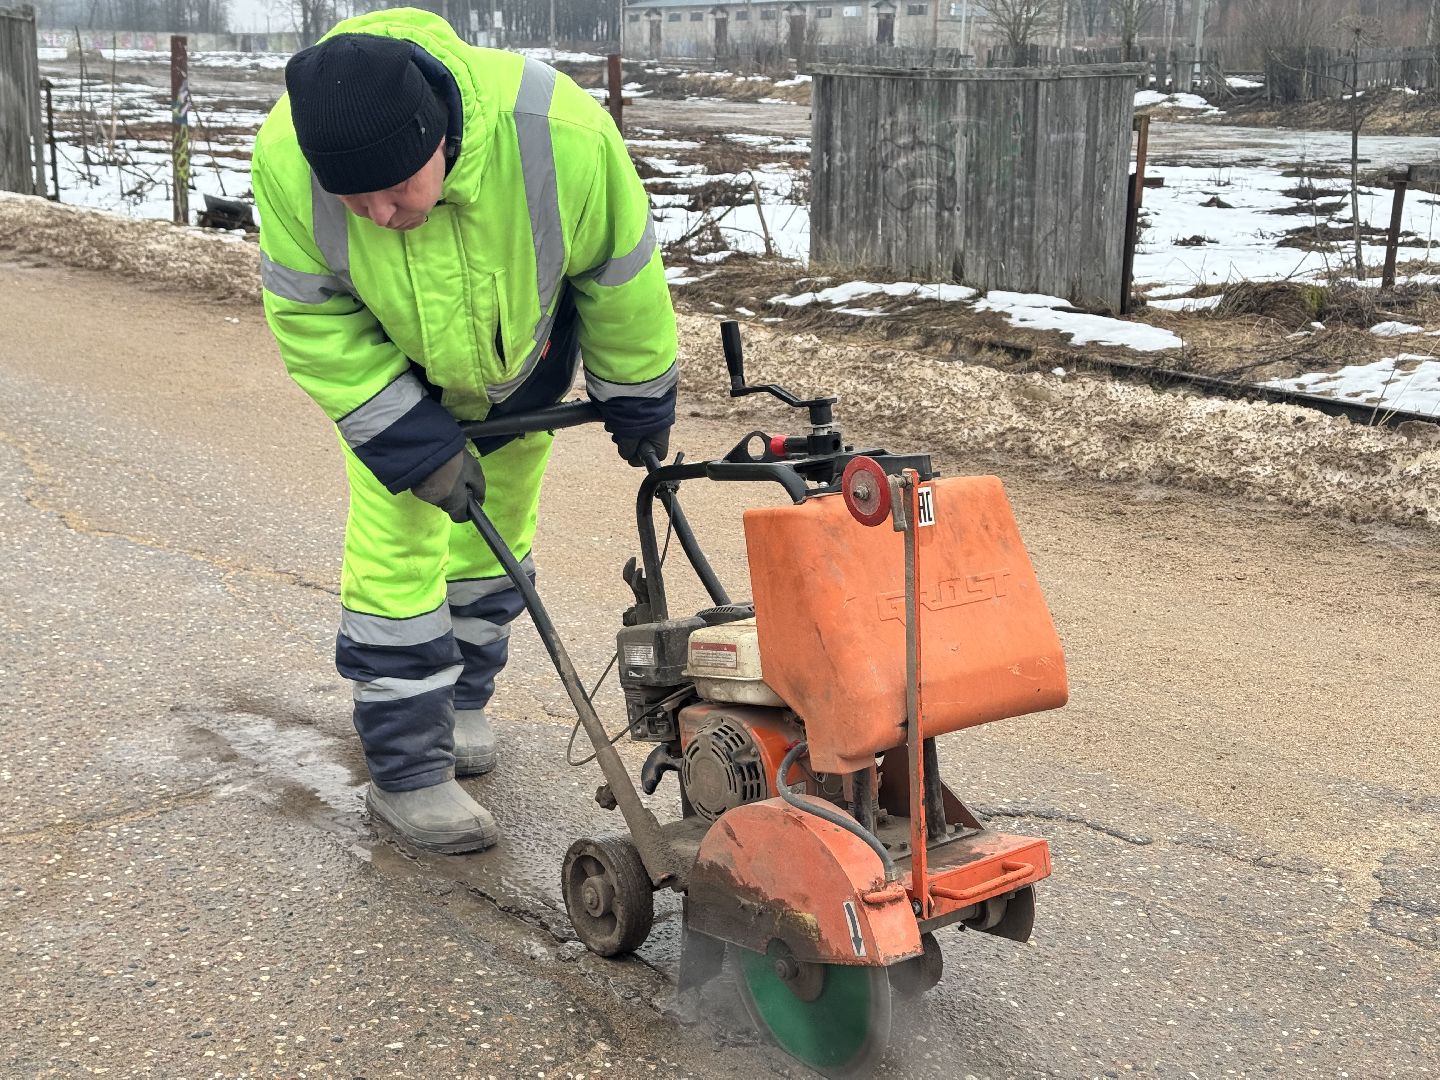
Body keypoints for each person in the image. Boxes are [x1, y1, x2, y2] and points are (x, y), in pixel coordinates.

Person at [251, 7, 677, 854]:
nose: (378, 213)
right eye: (355, 198)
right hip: (396, 382)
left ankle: (464, 701)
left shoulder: (558, 134)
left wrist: (637, 394)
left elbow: (620, 273)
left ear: (436, 135)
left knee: (497, 543)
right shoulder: (287, 158)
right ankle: (408, 775)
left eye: (399, 188)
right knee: (396, 560)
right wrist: (411, 441)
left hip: (524, 372)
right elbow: (310, 316)